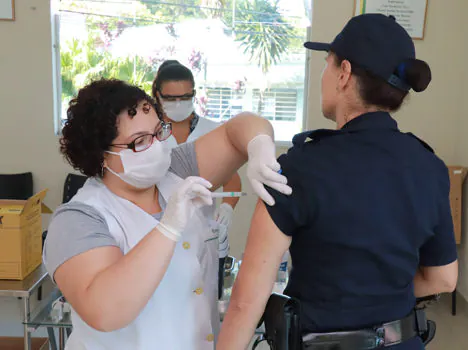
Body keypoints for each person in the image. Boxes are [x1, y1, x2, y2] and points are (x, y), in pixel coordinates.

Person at [218, 14, 458, 350]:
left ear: (343, 74)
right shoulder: (430, 167)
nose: (323, 75)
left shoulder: (300, 166)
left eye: (327, 64)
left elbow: (246, 302)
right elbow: (443, 279)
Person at [43, 78, 292, 350]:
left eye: (158, 131)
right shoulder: (78, 220)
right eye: (139, 142)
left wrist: (258, 147)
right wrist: (168, 227)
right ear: (101, 155)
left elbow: (239, 129)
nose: (157, 146)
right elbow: (106, 311)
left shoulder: (175, 169)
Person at [152, 60, 242, 295]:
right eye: (171, 98)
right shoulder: (147, 134)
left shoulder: (213, 131)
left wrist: (227, 211)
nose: (179, 103)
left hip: (204, 236)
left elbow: (231, 179)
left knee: (203, 310)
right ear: (157, 95)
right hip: (157, 234)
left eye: (186, 96)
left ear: (194, 93)